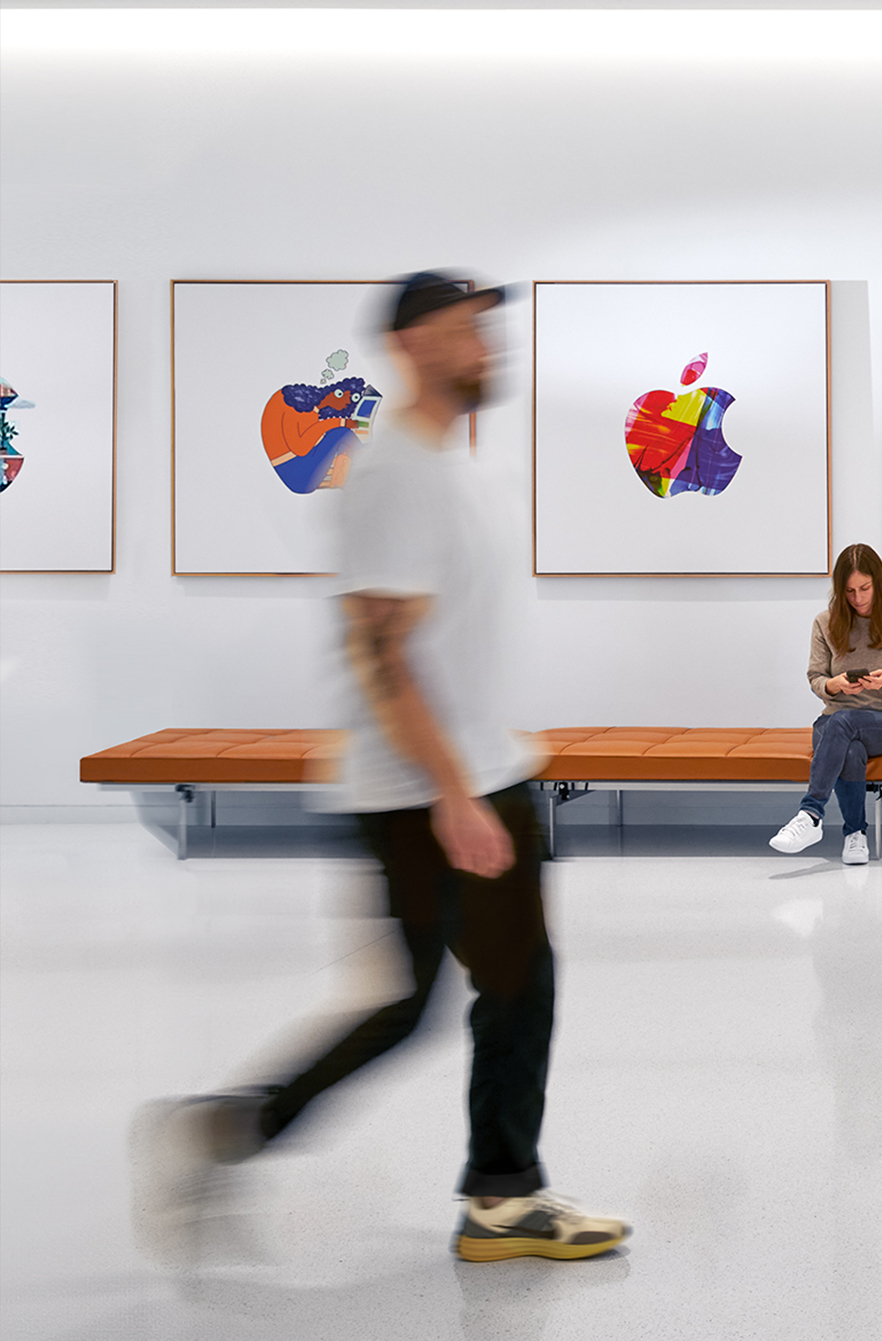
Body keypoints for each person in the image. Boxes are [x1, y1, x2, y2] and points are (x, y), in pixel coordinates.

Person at [131, 272, 630, 1265]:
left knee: (462, 993)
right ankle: (483, 1192)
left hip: (462, 772)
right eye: (463, 331)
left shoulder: (447, 459)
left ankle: (245, 1136)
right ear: (409, 346)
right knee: (484, 992)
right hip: (434, 786)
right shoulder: (397, 467)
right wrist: (454, 794)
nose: (487, 345)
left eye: (487, 328)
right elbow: (381, 651)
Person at [770, 543, 882, 864]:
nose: (858, 598)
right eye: (850, 591)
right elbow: (816, 678)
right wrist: (833, 685)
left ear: (879, 583)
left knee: (843, 723)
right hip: (837, 721)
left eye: (865, 588)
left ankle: (810, 813)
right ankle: (856, 836)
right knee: (848, 743)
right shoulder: (825, 623)